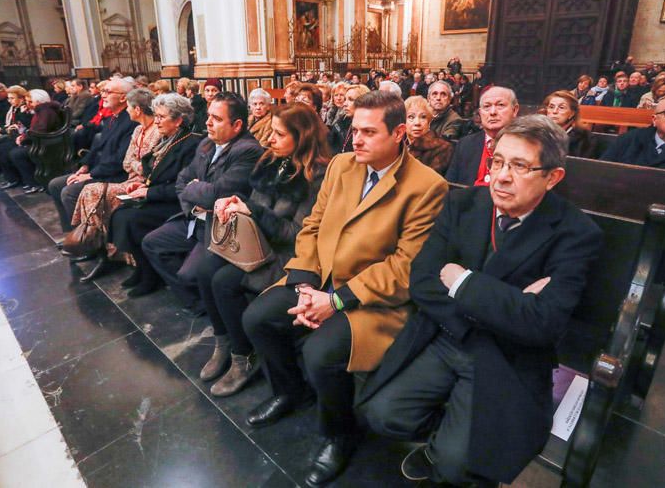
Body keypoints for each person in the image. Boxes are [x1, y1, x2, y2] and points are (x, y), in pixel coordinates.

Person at [360, 115, 604, 487]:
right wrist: (507, 305)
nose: (501, 176)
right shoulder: (463, 203)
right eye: (498, 161)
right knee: (380, 414)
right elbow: (422, 281)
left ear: (552, 177)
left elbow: (542, 322)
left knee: (458, 467)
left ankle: (446, 447)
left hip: (507, 354)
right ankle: (445, 435)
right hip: (446, 335)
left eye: (520, 166)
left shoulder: (576, 233)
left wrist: (462, 280)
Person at [241, 91, 448, 487]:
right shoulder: (341, 165)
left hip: (371, 298)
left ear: (399, 133)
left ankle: (340, 434)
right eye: (354, 129)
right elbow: (314, 226)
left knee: (322, 353)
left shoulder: (426, 186)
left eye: (369, 132)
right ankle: (289, 392)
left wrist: (336, 300)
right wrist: (303, 284)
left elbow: (405, 266)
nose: (357, 140)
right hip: (318, 278)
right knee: (258, 318)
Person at [194, 103, 331, 396]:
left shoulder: (316, 175)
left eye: (279, 135)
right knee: (205, 269)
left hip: (284, 255)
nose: (270, 140)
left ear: (302, 137)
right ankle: (225, 341)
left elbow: (296, 235)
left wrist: (251, 208)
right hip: (256, 243)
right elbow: (253, 205)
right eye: (271, 132)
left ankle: (243, 356)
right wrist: (233, 203)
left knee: (223, 281)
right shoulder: (273, 159)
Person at [138, 92, 264, 309]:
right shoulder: (207, 143)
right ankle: (198, 302)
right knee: (152, 243)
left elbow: (216, 193)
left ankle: (208, 302)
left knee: (190, 274)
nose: (207, 122)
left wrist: (194, 188)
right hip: (196, 217)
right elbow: (182, 181)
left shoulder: (248, 150)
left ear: (237, 125)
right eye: (208, 116)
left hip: (220, 226)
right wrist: (194, 196)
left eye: (216, 118)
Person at [109, 94, 201, 295]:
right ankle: (142, 268)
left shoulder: (191, 144)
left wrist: (149, 192)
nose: (156, 121)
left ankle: (151, 275)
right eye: (156, 116)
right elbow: (153, 172)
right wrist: (142, 185)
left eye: (161, 117)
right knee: (119, 213)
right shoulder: (165, 140)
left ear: (178, 120)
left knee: (132, 220)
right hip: (158, 196)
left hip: (176, 203)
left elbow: (180, 186)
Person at [72, 88, 163, 281]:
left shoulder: (157, 131)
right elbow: (126, 162)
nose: (127, 111)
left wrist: (137, 165)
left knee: (93, 191)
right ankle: (100, 247)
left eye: (130, 107)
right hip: (130, 180)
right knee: (91, 190)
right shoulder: (138, 130)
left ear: (137, 109)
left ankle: (105, 248)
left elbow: (150, 168)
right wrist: (137, 165)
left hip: (142, 183)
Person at [48, 78, 136, 233]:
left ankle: (88, 241)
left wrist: (90, 175)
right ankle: (72, 234)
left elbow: (119, 160)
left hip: (115, 175)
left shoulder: (130, 122)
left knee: (69, 192)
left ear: (123, 97)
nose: (103, 95)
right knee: (55, 184)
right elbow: (97, 146)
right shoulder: (112, 118)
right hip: (99, 169)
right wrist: (85, 165)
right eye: (103, 91)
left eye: (108, 92)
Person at [446, 86, 519, 186]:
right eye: (487, 106)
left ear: (514, 110)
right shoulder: (465, 144)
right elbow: (451, 186)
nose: (493, 112)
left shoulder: (525, 146)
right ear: (480, 113)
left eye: (500, 105)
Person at [4, 89, 64, 194]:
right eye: (27, 101)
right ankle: (31, 182)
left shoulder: (46, 111)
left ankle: (35, 183)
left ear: (39, 101)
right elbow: (35, 129)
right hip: (42, 141)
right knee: (13, 151)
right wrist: (24, 136)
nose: (28, 104)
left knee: (17, 154)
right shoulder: (42, 110)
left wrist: (25, 139)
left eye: (30, 102)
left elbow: (41, 130)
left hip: (48, 143)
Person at [0, 86, 33, 186]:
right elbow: (10, 124)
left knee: (3, 148)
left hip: (23, 136)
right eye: (9, 98)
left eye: (12, 98)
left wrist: (5, 130)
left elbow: (26, 125)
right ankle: (10, 176)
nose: (9, 101)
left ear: (21, 99)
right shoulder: (13, 108)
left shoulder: (24, 108)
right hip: (14, 134)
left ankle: (14, 178)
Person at [404, 96, 454, 175]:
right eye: (411, 117)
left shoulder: (442, 148)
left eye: (423, 117)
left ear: (429, 122)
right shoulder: (397, 145)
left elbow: (428, 181)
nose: (417, 123)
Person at [540, 90, 596, 158]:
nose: (554, 111)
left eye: (561, 108)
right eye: (551, 107)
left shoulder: (585, 139)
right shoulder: (537, 133)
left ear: (572, 113)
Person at [329, 84, 369, 154]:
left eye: (351, 99)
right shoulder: (341, 121)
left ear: (364, 102)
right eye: (345, 99)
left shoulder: (370, 127)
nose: (345, 104)